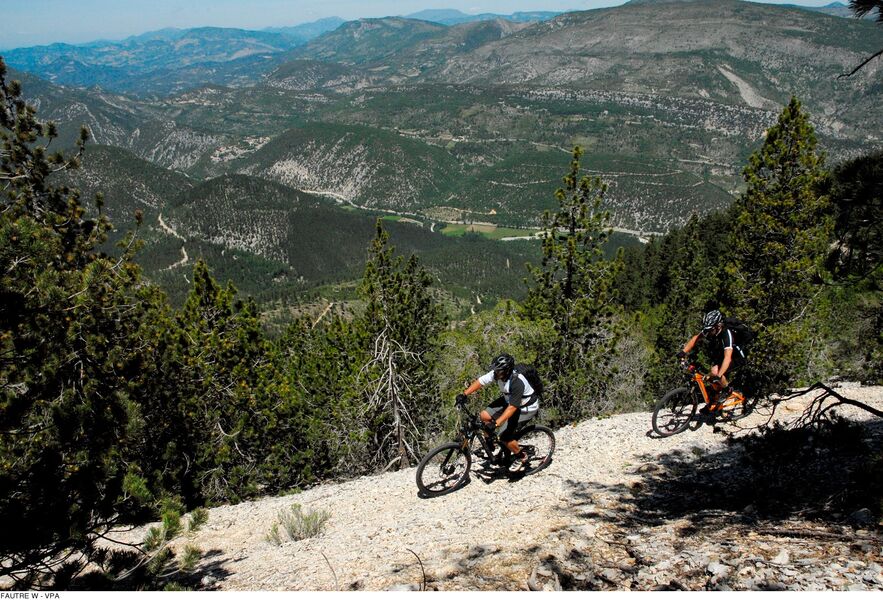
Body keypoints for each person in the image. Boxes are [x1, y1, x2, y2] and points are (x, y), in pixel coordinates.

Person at [456, 353, 539, 467]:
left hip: (525, 407)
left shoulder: (516, 382)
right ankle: (491, 444)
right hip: (510, 400)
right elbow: (481, 381)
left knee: (504, 436)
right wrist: (464, 394)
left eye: (498, 370)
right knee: (484, 416)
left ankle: (522, 456)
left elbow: (512, 408)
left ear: (506, 370)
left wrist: (496, 423)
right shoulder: (498, 374)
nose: (495, 372)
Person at [678, 309, 747, 406]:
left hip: (737, 356)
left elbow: (727, 358)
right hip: (723, 354)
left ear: (718, 326)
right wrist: (683, 352)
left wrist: (718, 376)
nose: (708, 332)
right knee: (710, 378)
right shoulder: (711, 328)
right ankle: (715, 403)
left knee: (715, 372)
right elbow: (696, 338)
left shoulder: (726, 334)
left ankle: (727, 390)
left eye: (710, 330)